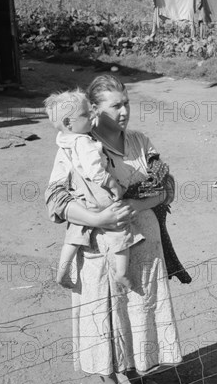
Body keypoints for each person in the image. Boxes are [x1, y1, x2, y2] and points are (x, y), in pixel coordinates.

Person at [45, 75, 182, 384]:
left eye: (127, 103)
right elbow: (56, 199)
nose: (124, 112)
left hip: (145, 247)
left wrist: (136, 206)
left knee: (137, 311)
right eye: (115, 106)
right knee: (104, 313)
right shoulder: (78, 145)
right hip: (98, 248)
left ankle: (136, 373)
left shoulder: (139, 141)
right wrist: (99, 219)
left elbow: (166, 186)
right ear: (95, 109)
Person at [45, 89, 143, 290]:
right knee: (121, 225)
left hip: (80, 196)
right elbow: (94, 170)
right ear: (68, 123)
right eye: (86, 114)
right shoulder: (83, 141)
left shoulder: (64, 140)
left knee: (75, 231)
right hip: (98, 192)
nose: (93, 116)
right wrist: (111, 183)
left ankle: (63, 270)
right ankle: (122, 273)